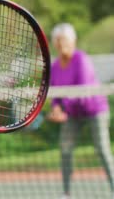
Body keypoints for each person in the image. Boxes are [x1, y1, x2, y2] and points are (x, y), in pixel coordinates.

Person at [48, 23, 114, 199]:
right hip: (72, 113)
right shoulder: (54, 66)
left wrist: (63, 110)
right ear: (55, 43)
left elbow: (83, 92)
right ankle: (66, 192)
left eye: (66, 41)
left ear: (73, 41)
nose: (62, 45)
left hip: (95, 109)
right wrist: (55, 108)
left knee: (102, 149)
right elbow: (55, 93)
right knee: (65, 148)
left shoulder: (81, 59)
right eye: (59, 41)